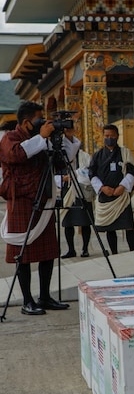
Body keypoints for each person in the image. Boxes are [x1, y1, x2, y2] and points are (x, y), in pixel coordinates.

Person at [0, 101, 70, 315]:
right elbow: (16, 155)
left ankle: (45, 296)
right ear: (27, 122)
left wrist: (56, 143)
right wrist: (41, 138)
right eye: (40, 119)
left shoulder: (41, 139)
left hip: (43, 197)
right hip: (21, 199)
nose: (44, 123)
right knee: (23, 253)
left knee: (47, 251)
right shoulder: (10, 138)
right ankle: (27, 300)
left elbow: (59, 164)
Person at [88, 124, 134, 255]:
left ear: (117, 137)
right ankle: (114, 253)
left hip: (121, 197)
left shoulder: (125, 153)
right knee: (110, 228)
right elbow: (92, 174)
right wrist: (102, 188)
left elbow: (132, 171)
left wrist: (122, 186)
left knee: (129, 226)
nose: (109, 138)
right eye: (106, 136)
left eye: (112, 136)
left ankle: (133, 252)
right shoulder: (97, 156)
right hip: (106, 195)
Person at [59, 126, 94, 258]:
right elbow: (55, 174)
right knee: (68, 223)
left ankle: (85, 248)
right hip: (67, 192)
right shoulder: (60, 156)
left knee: (85, 222)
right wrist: (63, 178)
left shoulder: (85, 156)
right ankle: (71, 249)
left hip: (81, 192)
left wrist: (73, 175)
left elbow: (88, 173)